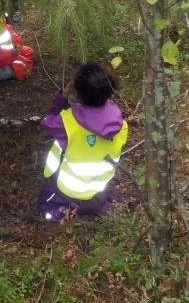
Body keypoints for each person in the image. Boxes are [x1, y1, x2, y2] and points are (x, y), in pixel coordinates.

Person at [38, 63, 128, 222]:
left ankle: (66, 210)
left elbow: (47, 121)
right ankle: (99, 204)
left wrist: (62, 98)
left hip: (70, 188)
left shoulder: (67, 122)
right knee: (101, 195)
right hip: (100, 185)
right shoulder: (118, 121)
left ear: (77, 93)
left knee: (44, 204)